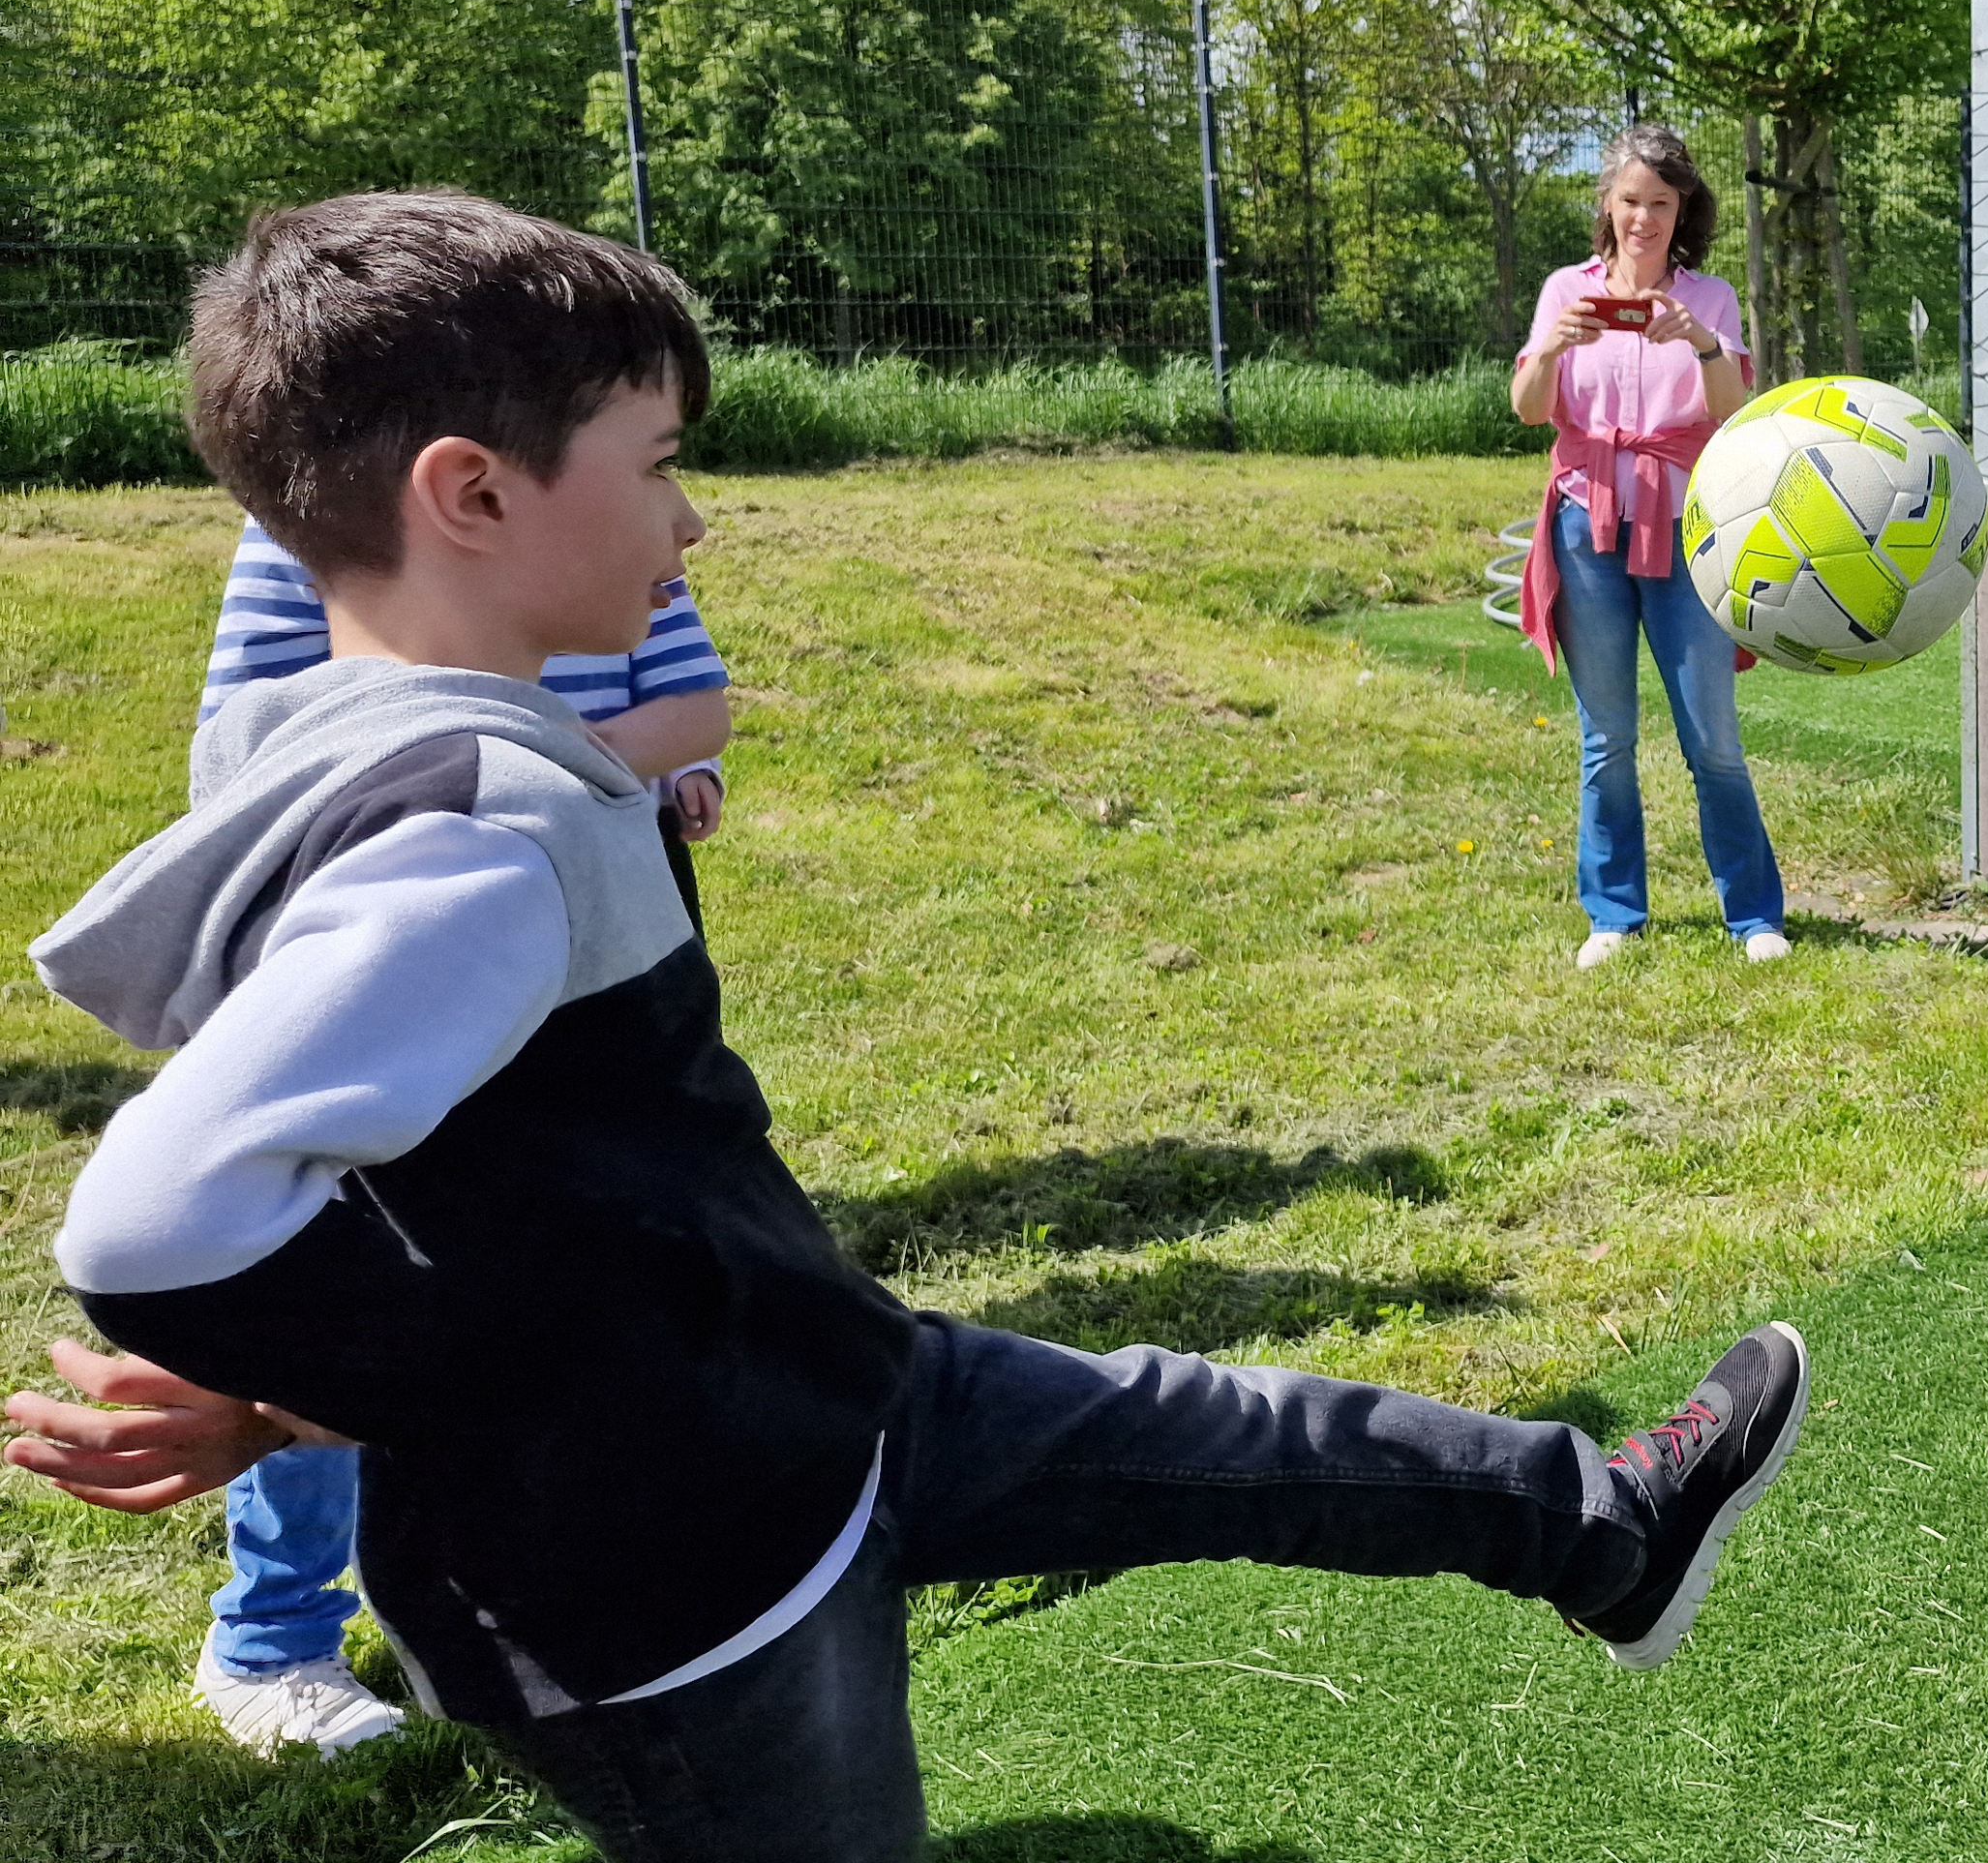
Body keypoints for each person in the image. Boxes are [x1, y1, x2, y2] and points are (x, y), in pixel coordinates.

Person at [4, 193, 1812, 1862]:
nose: (692, 517)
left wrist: (285, 1397)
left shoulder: (350, 752)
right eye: (660, 465)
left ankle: (1604, 1530)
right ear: (472, 495)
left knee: (1230, 1429)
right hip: (694, 1593)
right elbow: (151, 1222)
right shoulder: (486, 834)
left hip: (818, 1389)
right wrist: (331, 1389)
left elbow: (439, 1201)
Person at [183, 521, 736, 1757]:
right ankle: (273, 1640)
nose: (681, 509)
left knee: (578, 1251)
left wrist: (613, 770)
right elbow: (241, 744)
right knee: (354, 1288)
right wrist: (529, 775)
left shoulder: (598, 501)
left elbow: (695, 700)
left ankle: (553, 1585)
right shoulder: (308, 520)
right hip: (394, 935)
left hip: (599, 925)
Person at [1510, 122, 1790, 971]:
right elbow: (1528, 408)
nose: (1644, 219)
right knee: (1608, 738)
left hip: (1686, 531)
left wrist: (1698, 342)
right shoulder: (1565, 288)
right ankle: (1613, 914)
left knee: (1712, 738)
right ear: (1608, 204)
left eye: (1660, 204)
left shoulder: (1710, 298)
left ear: (1682, 212)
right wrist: (1556, 342)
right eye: (1630, 201)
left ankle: (1754, 917)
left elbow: (1735, 408)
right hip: (1584, 522)